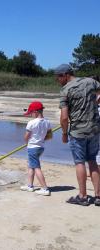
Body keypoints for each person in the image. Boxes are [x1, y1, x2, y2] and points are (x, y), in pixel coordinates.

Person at [55, 64, 100, 206]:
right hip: (94, 129)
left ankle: (83, 196)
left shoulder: (65, 90)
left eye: (58, 77)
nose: (57, 80)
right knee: (92, 160)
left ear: (65, 75)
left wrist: (63, 133)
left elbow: (63, 117)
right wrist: (97, 100)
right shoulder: (90, 81)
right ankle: (98, 196)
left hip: (78, 131)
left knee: (79, 162)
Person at [20, 101, 52, 196]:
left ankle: (45, 189)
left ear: (36, 112)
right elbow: (49, 136)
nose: (30, 115)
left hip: (33, 147)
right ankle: (30, 186)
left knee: (36, 167)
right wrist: (40, 139)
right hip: (40, 147)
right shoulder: (47, 122)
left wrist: (27, 143)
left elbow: (26, 136)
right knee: (31, 166)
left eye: (31, 113)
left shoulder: (31, 123)